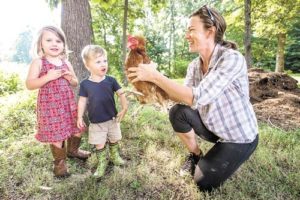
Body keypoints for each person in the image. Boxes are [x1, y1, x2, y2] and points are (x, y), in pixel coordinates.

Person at [127, 5, 258, 192]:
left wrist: (155, 76)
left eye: (191, 30)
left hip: (238, 136)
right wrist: (152, 89)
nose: (186, 35)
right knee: (177, 112)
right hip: (212, 126)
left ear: (210, 32)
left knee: (202, 184)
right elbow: (180, 97)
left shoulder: (232, 59)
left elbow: (197, 97)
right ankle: (196, 155)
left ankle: (225, 156)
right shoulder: (194, 66)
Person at [26, 26, 91, 178]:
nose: (54, 44)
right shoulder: (39, 63)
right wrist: (47, 77)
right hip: (50, 107)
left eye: (58, 41)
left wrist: (70, 78)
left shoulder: (66, 63)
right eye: (49, 40)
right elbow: (29, 84)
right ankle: (59, 164)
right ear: (40, 43)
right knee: (57, 135)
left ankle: (73, 151)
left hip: (67, 104)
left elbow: (75, 83)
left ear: (63, 45)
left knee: (77, 127)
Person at [78, 45, 128, 178]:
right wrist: (79, 117)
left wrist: (124, 108)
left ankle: (114, 155)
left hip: (112, 119)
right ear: (88, 66)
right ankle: (102, 162)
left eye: (105, 61)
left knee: (114, 138)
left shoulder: (111, 80)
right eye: (98, 61)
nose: (103, 64)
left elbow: (121, 94)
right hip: (96, 121)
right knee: (99, 143)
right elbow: (82, 101)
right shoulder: (85, 84)